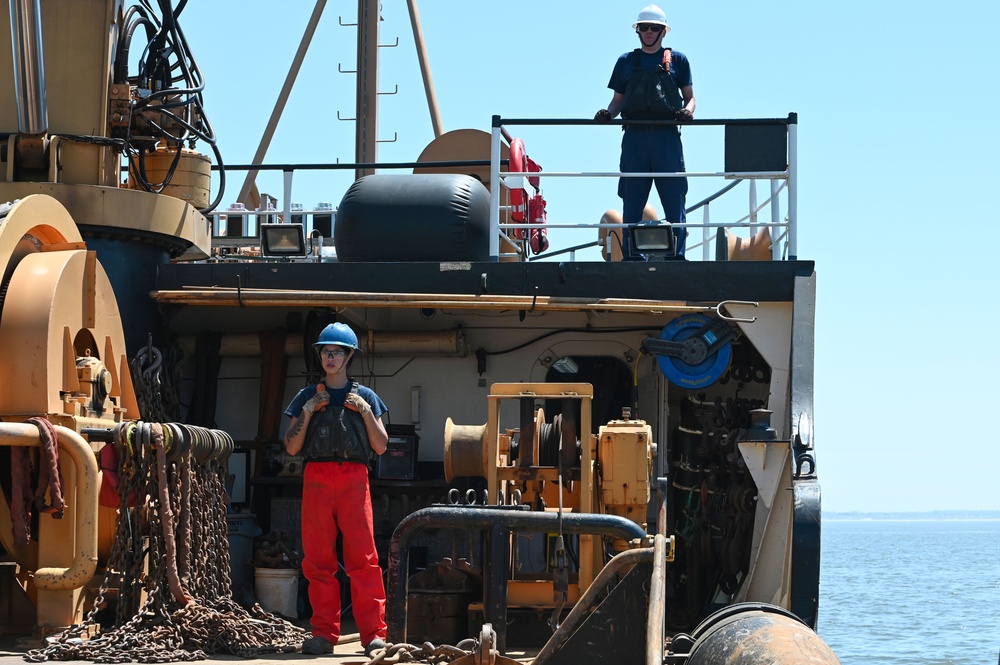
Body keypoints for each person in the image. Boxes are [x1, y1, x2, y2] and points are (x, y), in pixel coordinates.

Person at [283, 322, 389, 657]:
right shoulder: (307, 396)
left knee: (364, 559)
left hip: (354, 478)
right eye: (326, 351)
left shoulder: (367, 397)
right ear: (320, 355)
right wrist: (309, 410)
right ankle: (323, 635)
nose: (330, 357)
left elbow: (382, 445)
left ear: (349, 356)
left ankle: (373, 635)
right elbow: (291, 446)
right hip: (316, 477)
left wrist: (368, 412)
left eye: (337, 352)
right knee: (317, 560)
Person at [595, 4, 696, 259]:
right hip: (635, 137)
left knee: (675, 199)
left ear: (663, 32)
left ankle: (677, 256)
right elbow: (617, 101)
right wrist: (607, 114)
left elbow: (690, 98)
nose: (649, 32)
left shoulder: (679, 61)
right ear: (638, 31)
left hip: (667, 137)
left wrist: (689, 111)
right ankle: (630, 256)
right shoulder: (625, 62)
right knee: (632, 199)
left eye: (654, 28)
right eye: (644, 28)